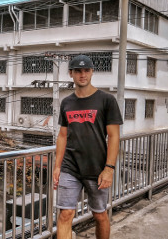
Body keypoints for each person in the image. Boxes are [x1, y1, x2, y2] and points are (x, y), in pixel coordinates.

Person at [53, 55, 123, 239]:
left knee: (99, 215)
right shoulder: (67, 102)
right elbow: (62, 136)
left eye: (86, 70)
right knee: (65, 214)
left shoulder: (106, 100)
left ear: (92, 72)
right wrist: (58, 166)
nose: (82, 74)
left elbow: (114, 136)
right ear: (71, 74)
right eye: (77, 71)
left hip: (97, 168)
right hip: (70, 167)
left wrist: (109, 168)